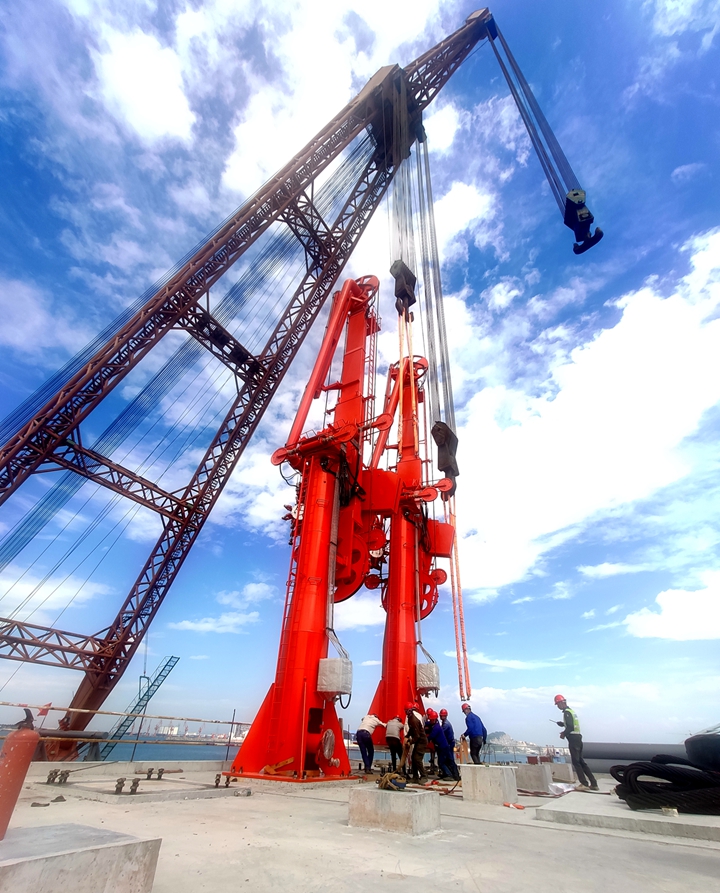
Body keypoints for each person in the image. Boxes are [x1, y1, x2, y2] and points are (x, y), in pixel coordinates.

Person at [554, 694, 598, 791]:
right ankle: (594, 783)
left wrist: (563, 734)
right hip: (577, 738)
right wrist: (563, 724)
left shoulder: (567, 712)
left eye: (558, 704)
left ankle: (584, 783)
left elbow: (571, 727)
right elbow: (571, 724)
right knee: (581, 762)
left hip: (573, 739)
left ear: (562, 703)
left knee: (576, 762)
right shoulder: (571, 711)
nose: (558, 706)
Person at [427, 709, 460, 781]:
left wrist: (425, 738)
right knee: (450, 761)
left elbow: (431, 736)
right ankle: (455, 775)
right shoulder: (438, 725)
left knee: (441, 762)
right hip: (446, 745)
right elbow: (429, 724)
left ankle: (449, 774)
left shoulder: (440, 726)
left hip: (445, 746)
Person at [404, 701, 428, 783]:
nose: (407, 712)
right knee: (413, 758)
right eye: (406, 711)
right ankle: (415, 777)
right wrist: (407, 736)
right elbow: (411, 729)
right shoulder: (410, 718)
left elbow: (417, 736)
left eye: (408, 711)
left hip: (421, 741)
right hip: (418, 740)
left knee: (417, 759)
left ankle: (424, 776)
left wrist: (410, 742)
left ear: (410, 710)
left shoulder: (414, 720)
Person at [439, 708, 460, 780]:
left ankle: (452, 775)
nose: (441, 717)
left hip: (449, 744)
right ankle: (453, 774)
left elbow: (441, 733)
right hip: (449, 743)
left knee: (448, 760)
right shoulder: (445, 723)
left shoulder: (446, 725)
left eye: (442, 716)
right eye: (441, 716)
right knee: (449, 760)